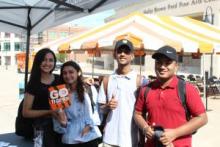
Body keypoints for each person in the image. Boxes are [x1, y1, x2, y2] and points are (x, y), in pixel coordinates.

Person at [134, 45, 208, 147]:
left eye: (167, 63)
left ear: (176, 66)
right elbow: (137, 114)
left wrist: (175, 133)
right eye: (159, 62)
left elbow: (202, 118)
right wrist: (145, 128)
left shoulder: (187, 89)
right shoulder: (146, 89)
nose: (162, 66)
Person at [98, 39, 147, 147]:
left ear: (132, 56)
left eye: (126, 51)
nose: (122, 54)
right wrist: (107, 105)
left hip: (131, 139)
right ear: (114, 55)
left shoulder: (139, 81)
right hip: (109, 139)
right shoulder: (107, 80)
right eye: (119, 51)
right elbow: (101, 109)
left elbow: (144, 111)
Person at [53, 61, 102, 147]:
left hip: (89, 136)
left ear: (78, 72)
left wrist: (89, 126)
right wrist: (62, 122)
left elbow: (96, 111)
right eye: (64, 73)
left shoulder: (88, 89)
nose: (68, 76)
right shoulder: (59, 93)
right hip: (69, 137)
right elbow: (59, 122)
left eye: (71, 72)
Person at [22, 48, 62, 147]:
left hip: (61, 127)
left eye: (51, 60)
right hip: (42, 129)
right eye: (44, 59)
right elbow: (26, 112)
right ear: (38, 61)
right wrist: (49, 112)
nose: (47, 63)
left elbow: (64, 102)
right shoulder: (33, 83)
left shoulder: (59, 79)